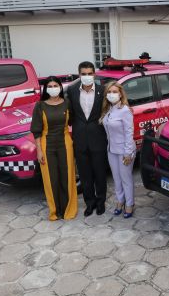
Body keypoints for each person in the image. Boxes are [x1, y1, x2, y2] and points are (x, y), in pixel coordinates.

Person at [31, 77, 79, 221]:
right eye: (50, 86)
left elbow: (74, 121)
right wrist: (39, 150)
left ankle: (68, 209)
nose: (53, 88)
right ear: (46, 89)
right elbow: (36, 130)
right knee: (51, 178)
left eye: (55, 85)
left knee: (67, 176)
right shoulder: (40, 106)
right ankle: (55, 211)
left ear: (60, 87)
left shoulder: (67, 103)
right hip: (47, 144)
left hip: (65, 143)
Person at [67, 61, 109, 216]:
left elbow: (109, 110)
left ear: (94, 74)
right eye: (83, 74)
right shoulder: (71, 91)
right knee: (85, 175)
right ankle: (89, 203)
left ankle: (101, 202)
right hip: (80, 139)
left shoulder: (103, 90)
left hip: (98, 138)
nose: (87, 76)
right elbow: (69, 113)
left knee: (99, 173)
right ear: (79, 75)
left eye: (89, 73)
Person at [101, 82, 136, 218]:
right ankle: (120, 201)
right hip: (112, 150)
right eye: (109, 92)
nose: (112, 94)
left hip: (124, 150)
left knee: (125, 178)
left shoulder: (125, 110)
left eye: (115, 91)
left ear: (121, 94)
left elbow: (129, 133)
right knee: (116, 178)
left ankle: (130, 203)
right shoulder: (108, 109)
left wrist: (128, 153)